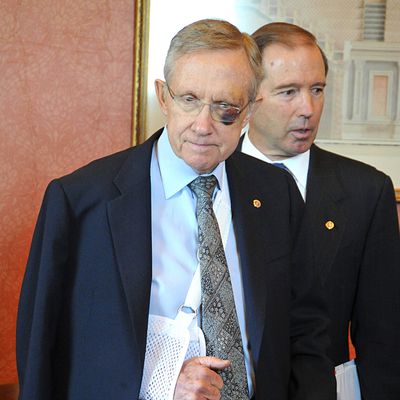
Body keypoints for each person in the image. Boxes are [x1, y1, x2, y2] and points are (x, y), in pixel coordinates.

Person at [17, 19, 336, 400]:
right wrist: (160, 383)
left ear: (250, 110)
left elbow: (307, 333)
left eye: (225, 109)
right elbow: (44, 348)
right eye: (189, 99)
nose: (203, 125)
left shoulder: (276, 193)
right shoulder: (81, 201)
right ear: (164, 97)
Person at [240, 21, 400, 399]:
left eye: (316, 90)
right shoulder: (210, 179)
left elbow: (384, 339)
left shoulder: (365, 191)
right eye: (288, 92)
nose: (308, 109)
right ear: (249, 94)